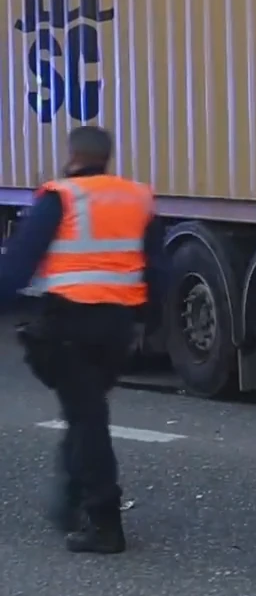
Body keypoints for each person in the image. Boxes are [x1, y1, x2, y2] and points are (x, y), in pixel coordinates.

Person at [1, 125, 166, 554]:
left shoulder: (61, 197)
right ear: (106, 157)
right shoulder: (136, 198)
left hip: (70, 325)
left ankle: (103, 520)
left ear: (73, 155)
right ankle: (71, 500)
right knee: (86, 411)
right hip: (117, 327)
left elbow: (19, 264)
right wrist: (149, 320)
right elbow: (158, 268)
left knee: (88, 419)